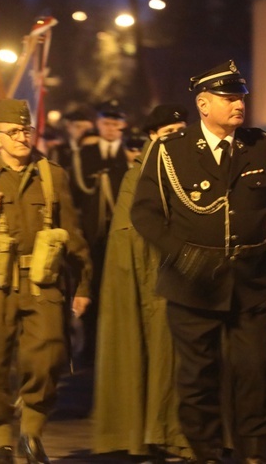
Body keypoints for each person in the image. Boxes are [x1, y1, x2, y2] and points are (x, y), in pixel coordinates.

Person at [131, 61, 266, 463]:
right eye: (228, 98)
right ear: (203, 104)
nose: (238, 104)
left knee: (253, 372)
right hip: (192, 282)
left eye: (240, 96)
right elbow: (145, 213)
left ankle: (253, 449)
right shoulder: (171, 151)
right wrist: (180, 253)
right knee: (197, 378)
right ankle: (205, 452)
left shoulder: (260, 146)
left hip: (250, 280)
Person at [0, 99, 92, 464]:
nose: (22, 137)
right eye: (13, 132)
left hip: (43, 283)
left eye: (25, 130)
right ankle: (0, 439)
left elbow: (73, 233)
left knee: (47, 358)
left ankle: (31, 433)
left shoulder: (52, 174)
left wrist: (85, 283)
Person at [93, 104, 192, 460]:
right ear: (153, 135)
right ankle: (159, 436)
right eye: (168, 133)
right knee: (156, 357)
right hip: (154, 281)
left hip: (178, 280)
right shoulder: (142, 173)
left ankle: (174, 435)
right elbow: (131, 236)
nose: (176, 139)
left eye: (182, 132)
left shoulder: (188, 168)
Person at [71, 99, 130, 363]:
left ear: (123, 126)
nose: (110, 128)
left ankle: (119, 347)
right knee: (89, 289)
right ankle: (90, 346)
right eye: (106, 122)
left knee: (121, 292)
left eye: (116, 123)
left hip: (122, 235)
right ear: (98, 124)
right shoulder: (84, 155)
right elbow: (76, 193)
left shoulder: (130, 154)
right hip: (91, 234)